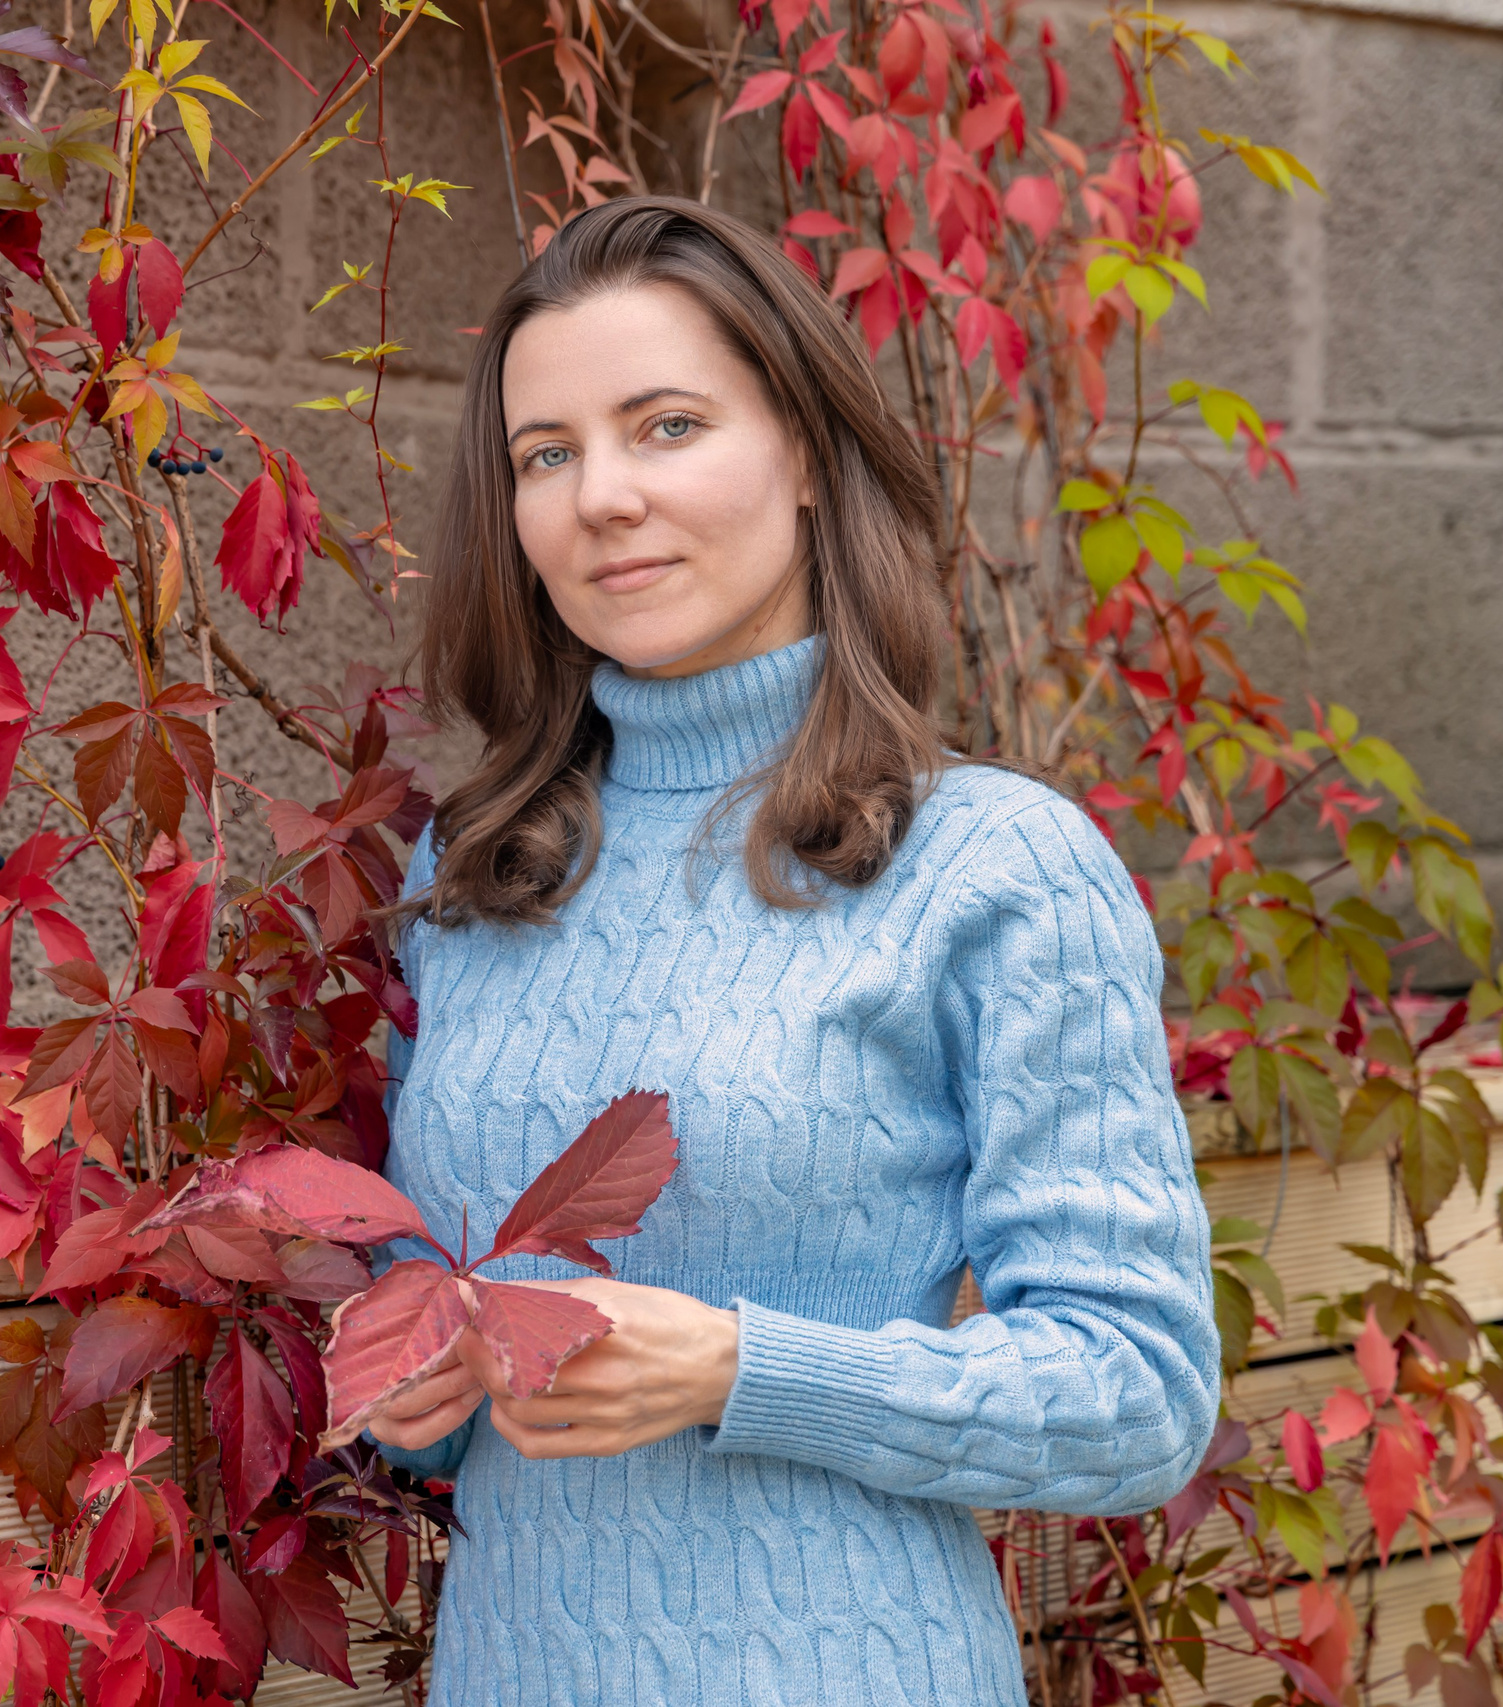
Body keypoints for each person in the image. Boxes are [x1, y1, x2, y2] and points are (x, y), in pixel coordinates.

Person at [369, 194, 1219, 1707]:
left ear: (810, 459)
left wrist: (744, 1370)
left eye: (667, 426)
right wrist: (405, 1383)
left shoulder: (992, 867)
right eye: (545, 455)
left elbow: (1136, 1397)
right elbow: (411, 1363)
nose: (600, 498)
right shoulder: (478, 871)